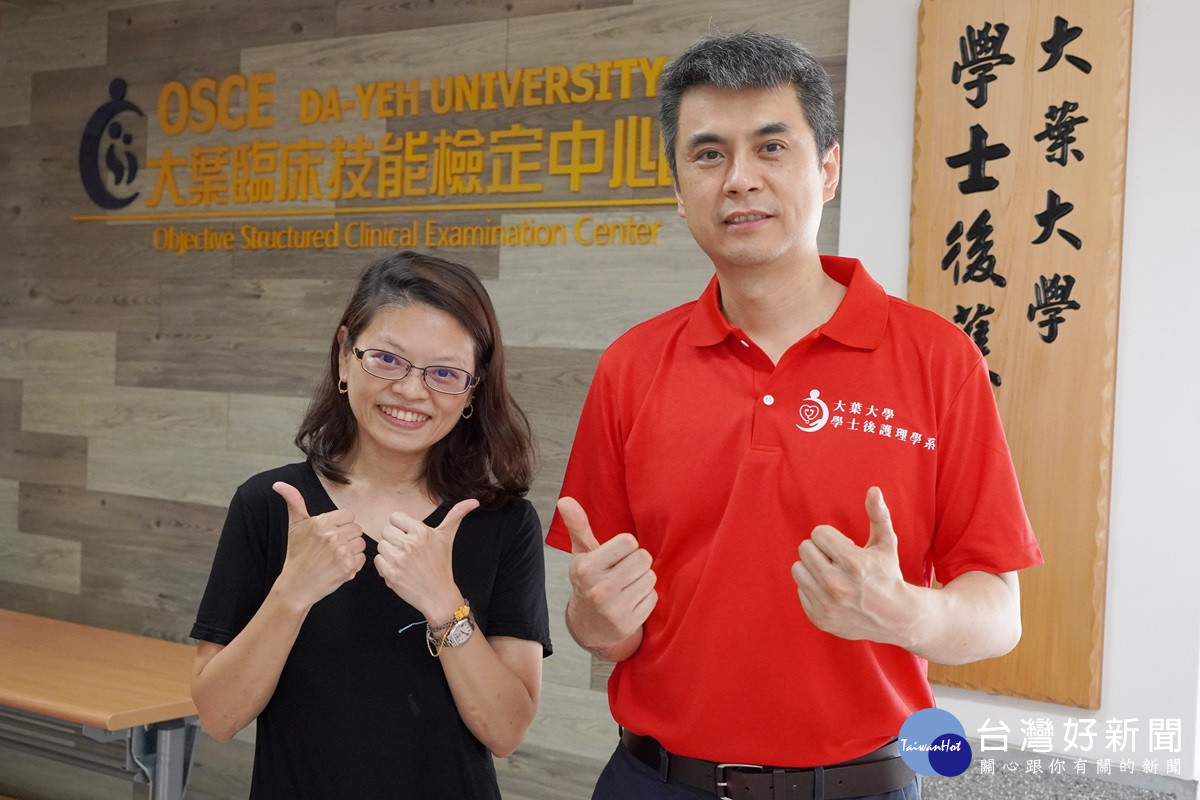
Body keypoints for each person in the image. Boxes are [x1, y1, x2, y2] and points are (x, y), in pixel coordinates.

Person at [545, 31, 1043, 800]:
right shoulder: (631, 367)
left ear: (828, 169)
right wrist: (594, 620)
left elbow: (999, 615)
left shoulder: (937, 358)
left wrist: (905, 612)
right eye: (708, 154)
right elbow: (605, 630)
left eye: (771, 147)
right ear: (678, 187)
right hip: (655, 780)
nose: (739, 179)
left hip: (862, 784)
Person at [190, 250, 552, 800]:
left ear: (473, 390)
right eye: (387, 359)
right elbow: (218, 717)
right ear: (344, 356)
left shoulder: (502, 523)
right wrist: (292, 593)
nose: (411, 390)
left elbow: (506, 732)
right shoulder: (271, 504)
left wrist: (444, 604)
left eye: (445, 373)